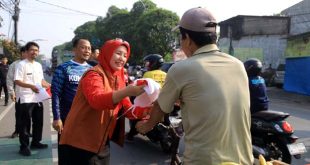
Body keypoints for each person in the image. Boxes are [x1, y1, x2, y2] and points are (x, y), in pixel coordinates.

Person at [136, 7, 254, 165]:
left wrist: (144, 127)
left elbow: (159, 109)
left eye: (181, 38)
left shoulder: (181, 68)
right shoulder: (238, 65)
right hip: (243, 159)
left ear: (188, 39)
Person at [59, 38, 146, 165]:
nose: (122, 58)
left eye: (125, 55)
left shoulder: (119, 78)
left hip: (101, 141)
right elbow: (97, 100)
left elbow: (127, 108)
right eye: (118, 53)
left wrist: (150, 110)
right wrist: (127, 91)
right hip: (79, 142)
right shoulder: (94, 74)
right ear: (107, 53)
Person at [51, 38, 92, 164]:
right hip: (67, 118)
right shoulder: (64, 68)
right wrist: (57, 118)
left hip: (87, 120)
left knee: (84, 155)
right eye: (83, 47)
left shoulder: (93, 70)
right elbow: (56, 93)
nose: (87, 51)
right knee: (66, 156)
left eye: (89, 48)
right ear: (74, 49)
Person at [14, 41, 51, 156]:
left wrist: (48, 85)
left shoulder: (38, 65)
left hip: (38, 97)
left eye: (36, 50)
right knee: (25, 123)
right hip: (25, 98)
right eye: (32, 50)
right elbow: (17, 80)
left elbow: (41, 80)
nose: (34, 52)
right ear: (26, 51)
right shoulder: (21, 64)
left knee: (38, 121)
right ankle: (24, 146)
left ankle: (36, 142)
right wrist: (31, 86)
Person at [126, 54, 166, 141]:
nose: (146, 65)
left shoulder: (148, 74)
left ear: (153, 63)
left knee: (136, 113)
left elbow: (143, 87)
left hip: (152, 102)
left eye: (148, 63)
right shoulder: (165, 74)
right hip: (165, 101)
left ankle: (131, 134)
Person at [7, 46, 29, 138]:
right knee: (19, 114)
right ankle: (17, 131)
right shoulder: (15, 64)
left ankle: (27, 131)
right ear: (22, 53)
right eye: (26, 52)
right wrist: (12, 92)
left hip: (30, 95)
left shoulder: (33, 64)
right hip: (19, 93)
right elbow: (9, 79)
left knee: (29, 114)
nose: (28, 54)